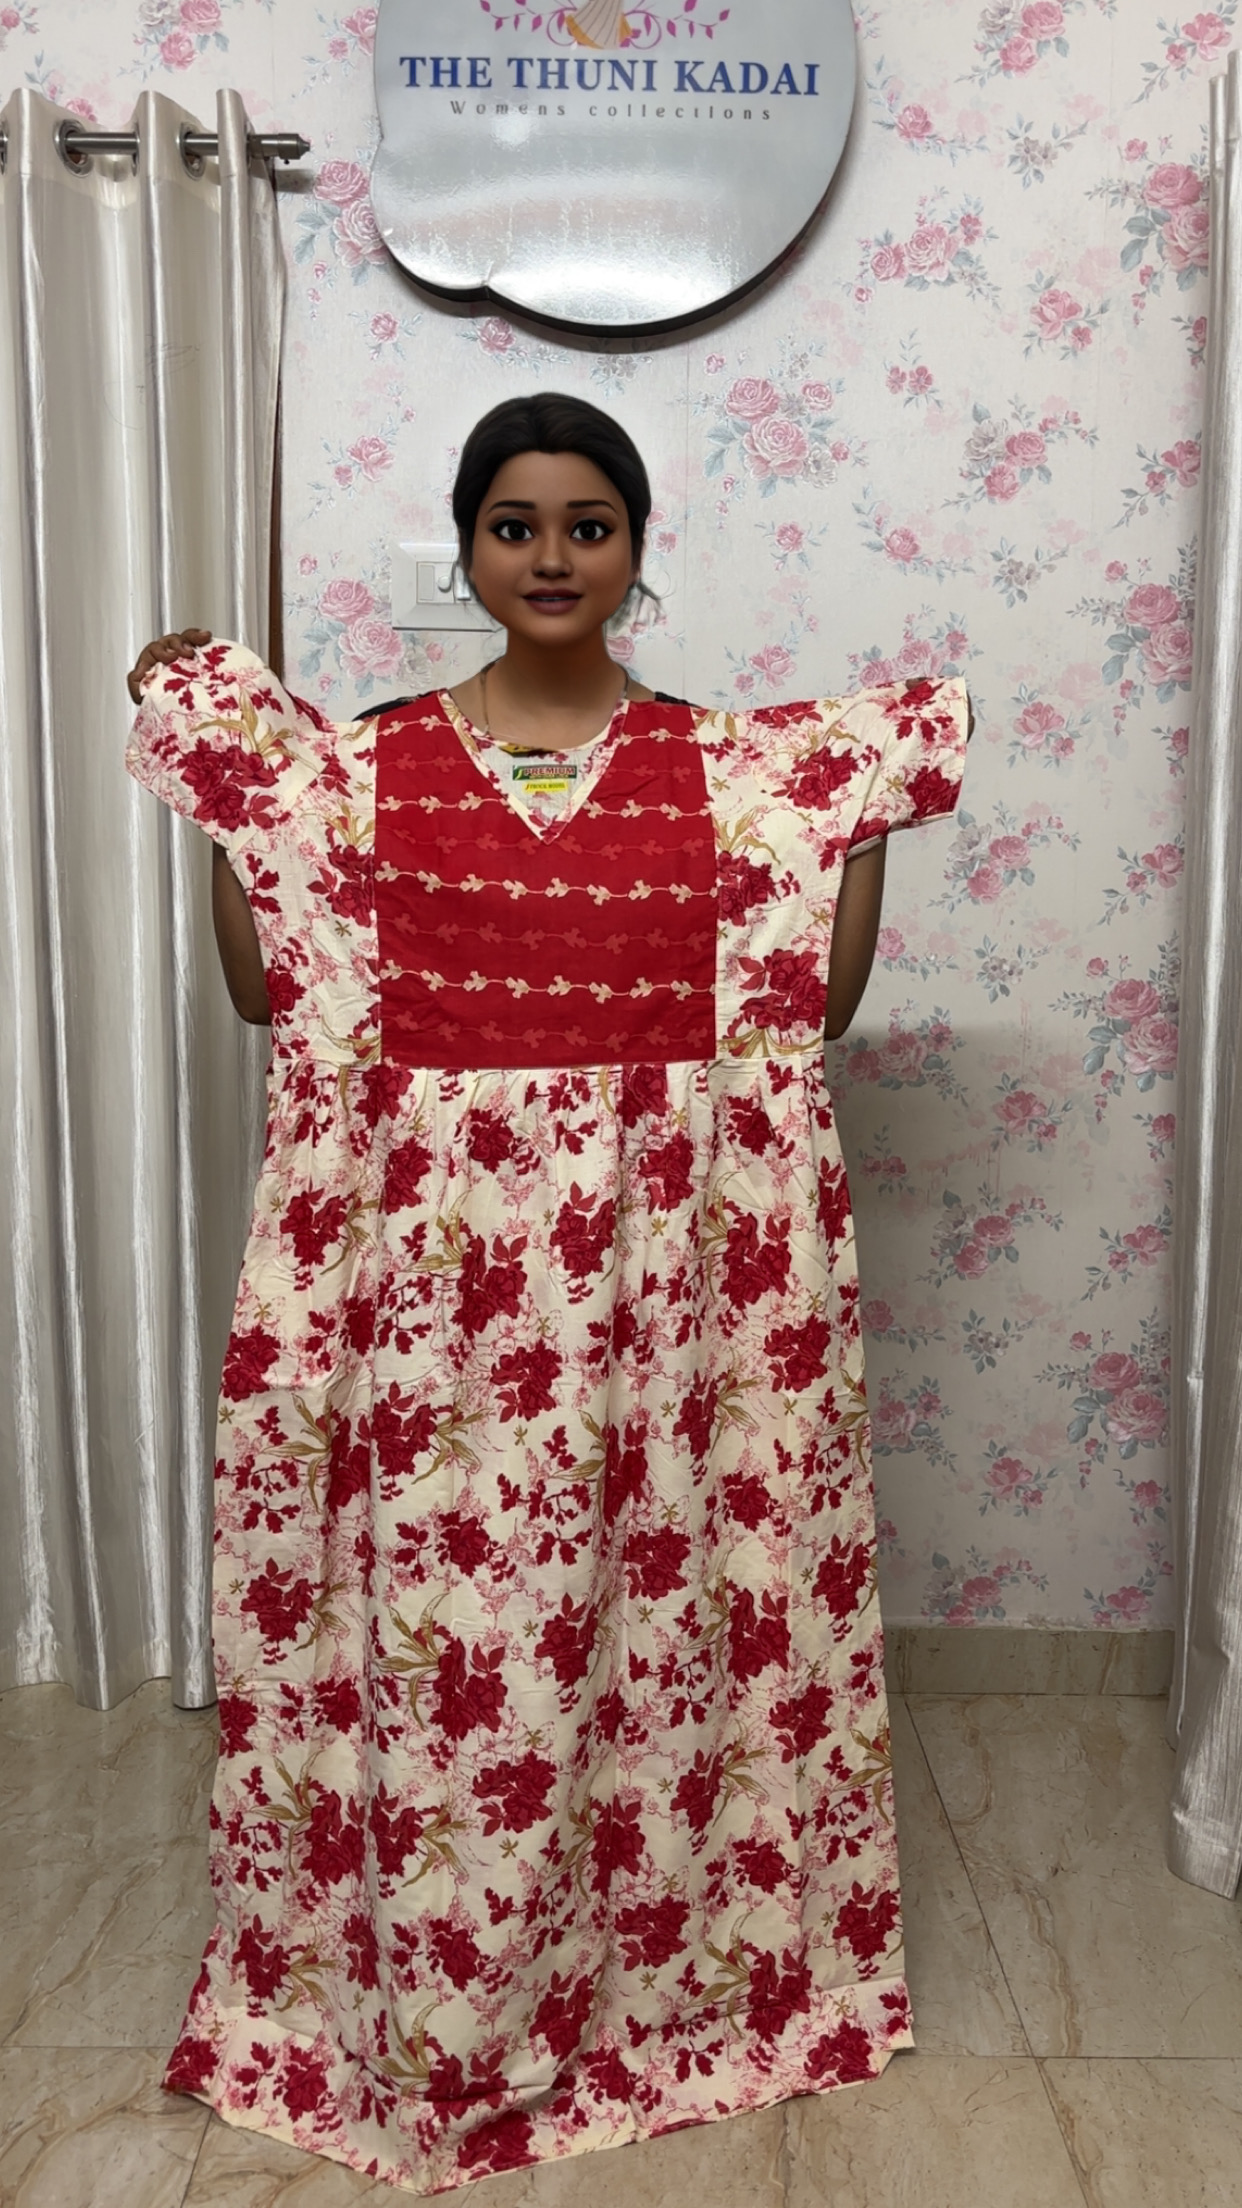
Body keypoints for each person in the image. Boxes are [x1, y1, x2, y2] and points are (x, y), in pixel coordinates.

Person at [126, 391, 969, 2195]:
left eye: (589, 523)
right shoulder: (360, 771)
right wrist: (243, 808)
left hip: (663, 1325)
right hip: (424, 1324)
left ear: (636, 548)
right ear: (467, 549)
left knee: (655, 1646)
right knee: (442, 1665)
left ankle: (657, 1995)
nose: (552, 555)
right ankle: (423, 2002)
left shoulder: (730, 779)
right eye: (515, 524)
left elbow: (811, 1014)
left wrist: (849, 826)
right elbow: (267, 995)